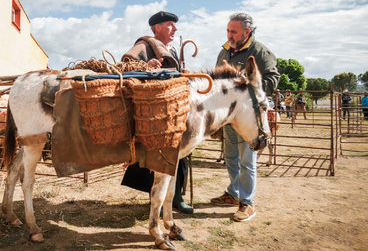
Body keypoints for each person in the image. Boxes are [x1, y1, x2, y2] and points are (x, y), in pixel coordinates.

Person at [120, 11, 193, 214]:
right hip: (153, 112)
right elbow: (124, 66)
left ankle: (177, 197)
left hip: (176, 110)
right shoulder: (144, 45)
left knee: (181, 155)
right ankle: (157, 201)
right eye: (171, 24)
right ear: (158, 27)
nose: (175, 29)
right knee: (157, 157)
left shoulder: (173, 51)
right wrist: (145, 66)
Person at [210, 12, 280, 222]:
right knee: (230, 156)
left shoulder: (260, 52)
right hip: (229, 116)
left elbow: (272, 79)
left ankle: (247, 203)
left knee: (247, 159)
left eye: (234, 31)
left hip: (248, 115)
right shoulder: (225, 51)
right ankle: (234, 193)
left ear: (247, 32)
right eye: (228, 31)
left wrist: (244, 88)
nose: (230, 35)